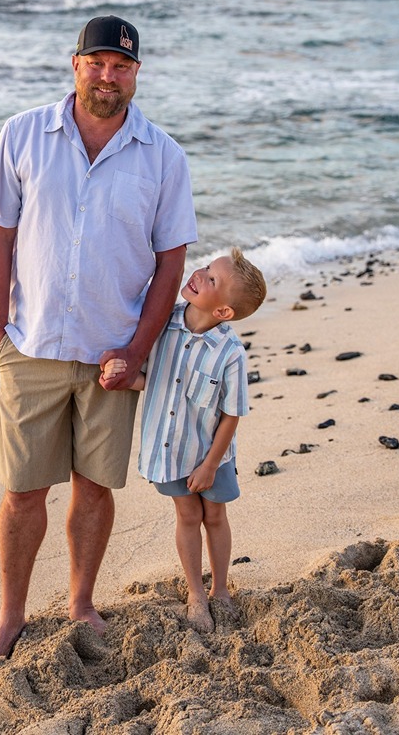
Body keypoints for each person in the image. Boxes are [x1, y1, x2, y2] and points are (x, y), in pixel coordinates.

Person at [0, 14, 197, 658]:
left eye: (121, 66)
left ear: (136, 74)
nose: (108, 76)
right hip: (32, 345)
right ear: (75, 65)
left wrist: (138, 349)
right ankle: (11, 614)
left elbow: (171, 264)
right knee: (22, 493)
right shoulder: (22, 136)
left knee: (94, 488)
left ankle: (80, 601)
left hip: (113, 353)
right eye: (96, 62)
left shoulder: (164, 156)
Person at [101, 249, 266, 632]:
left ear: (224, 312)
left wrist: (210, 464)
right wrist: (121, 372)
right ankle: (196, 593)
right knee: (188, 515)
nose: (199, 273)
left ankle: (221, 588)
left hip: (212, 454)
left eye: (212, 279)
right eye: (207, 267)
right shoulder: (162, 324)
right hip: (170, 448)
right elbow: (150, 379)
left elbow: (232, 413)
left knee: (215, 515)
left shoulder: (230, 353)